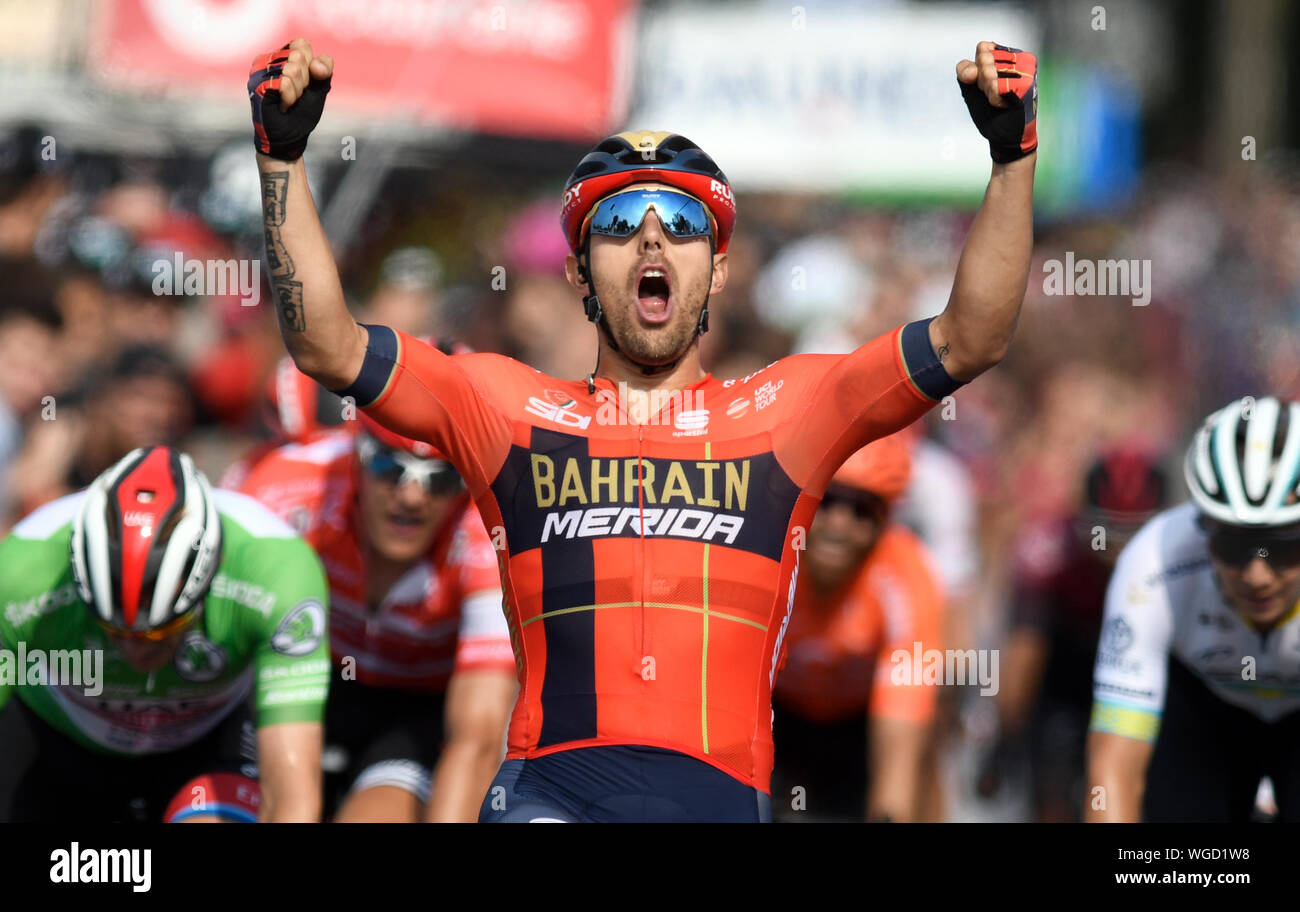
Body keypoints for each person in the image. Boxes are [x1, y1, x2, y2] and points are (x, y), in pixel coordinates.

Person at [247, 37, 1038, 821]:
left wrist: (1011, 163)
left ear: (719, 269)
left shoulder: (788, 411)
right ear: (577, 270)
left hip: (720, 795)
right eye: (620, 220)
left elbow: (969, 339)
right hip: (547, 789)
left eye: (684, 222)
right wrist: (282, 161)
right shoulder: (506, 408)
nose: (652, 237)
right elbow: (328, 343)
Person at [0, 446, 329, 822]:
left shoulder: (275, 570)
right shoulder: (20, 573)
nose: (136, 652)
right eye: (112, 629)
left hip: (207, 743)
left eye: (164, 630)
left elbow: (293, 802)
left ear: (212, 571)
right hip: (56, 738)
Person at [238, 414, 515, 822]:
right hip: (301, 685)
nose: (411, 497)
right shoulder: (290, 486)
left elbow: (476, 742)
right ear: (357, 456)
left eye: (441, 478)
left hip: (413, 714)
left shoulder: (489, 532)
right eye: (390, 467)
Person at [1087, 397, 1300, 822]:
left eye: (1283, 547)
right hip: (1206, 715)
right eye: (1233, 546)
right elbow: (1113, 770)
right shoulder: (1155, 563)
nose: (1257, 576)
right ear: (1203, 529)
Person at [986, 445, 1167, 821]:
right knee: (1052, 788)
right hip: (1064, 675)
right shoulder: (1049, 551)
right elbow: (1025, 651)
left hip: (1147, 671)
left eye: (1132, 533)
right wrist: (1003, 739)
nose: (1118, 549)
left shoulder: (1178, 556)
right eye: (1108, 532)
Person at [771, 434, 944, 822]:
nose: (838, 525)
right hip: (774, 721)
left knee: (927, 759)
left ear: (885, 523)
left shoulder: (908, 578)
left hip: (859, 729)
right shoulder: (765, 555)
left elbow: (900, 752)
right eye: (826, 501)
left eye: (862, 510)